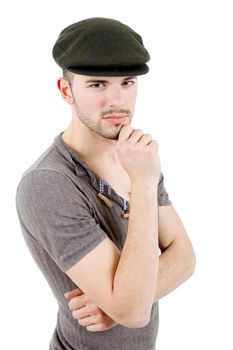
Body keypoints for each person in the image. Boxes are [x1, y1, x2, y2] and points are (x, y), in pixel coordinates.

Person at [15, 17, 196, 350]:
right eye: (97, 85)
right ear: (66, 90)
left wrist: (120, 306)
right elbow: (134, 309)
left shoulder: (135, 156)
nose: (118, 101)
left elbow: (184, 256)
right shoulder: (49, 183)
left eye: (127, 82)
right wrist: (142, 183)